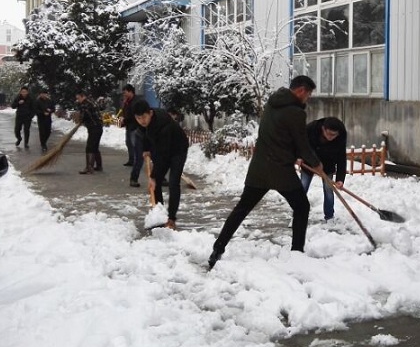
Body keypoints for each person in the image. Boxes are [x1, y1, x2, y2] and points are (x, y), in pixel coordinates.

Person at [208, 76, 321, 269]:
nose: (308, 98)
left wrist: (294, 154)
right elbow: (302, 143)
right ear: (301, 90)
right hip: (280, 171)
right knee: (302, 207)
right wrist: (316, 164)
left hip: (259, 168)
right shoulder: (295, 112)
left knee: (242, 209)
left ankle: (217, 249)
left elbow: (279, 135)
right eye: (308, 94)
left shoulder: (272, 103)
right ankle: (297, 253)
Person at [133, 100, 189, 230]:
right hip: (162, 149)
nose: (142, 121)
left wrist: (153, 176)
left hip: (178, 150)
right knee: (156, 182)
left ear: (150, 113)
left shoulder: (163, 126)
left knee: (173, 182)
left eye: (144, 117)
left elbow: (162, 156)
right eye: (138, 118)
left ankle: (171, 219)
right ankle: (159, 214)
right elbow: (145, 133)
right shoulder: (145, 122)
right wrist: (146, 149)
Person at [301, 117, 348, 221]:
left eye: (334, 135)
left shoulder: (341, 136)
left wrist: (340, 179)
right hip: (309, 161)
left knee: (328, 190)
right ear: (323, 129)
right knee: (302, 188)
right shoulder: (311, 128)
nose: (331, 137)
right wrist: (300, 157)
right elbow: (301, 144)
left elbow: (341, 158)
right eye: (329, 134)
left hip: (328, 164)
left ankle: (329, 216)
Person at [120, 84, 145, 187]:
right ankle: (133, 175)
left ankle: (161, 178)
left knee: (139, 153)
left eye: (125, 92)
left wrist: (125, 120)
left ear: (131, 91)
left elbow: (133, 116)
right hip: (130, 127)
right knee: (132, 147)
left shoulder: (136, 102)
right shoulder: (127, 101)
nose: (124, 94)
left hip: (136, 128)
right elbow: (126, 113)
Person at [74, 91, 104, 175]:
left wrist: (81, 120)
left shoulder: (85, 104)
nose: (78, 100)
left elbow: (84, 115)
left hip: (94, 127)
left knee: (90, 147)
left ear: (83, 96)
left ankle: (89, 168)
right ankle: (99, 166)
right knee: (95, 147)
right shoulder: (91, 102)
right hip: (98, 127)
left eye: (78, 98)